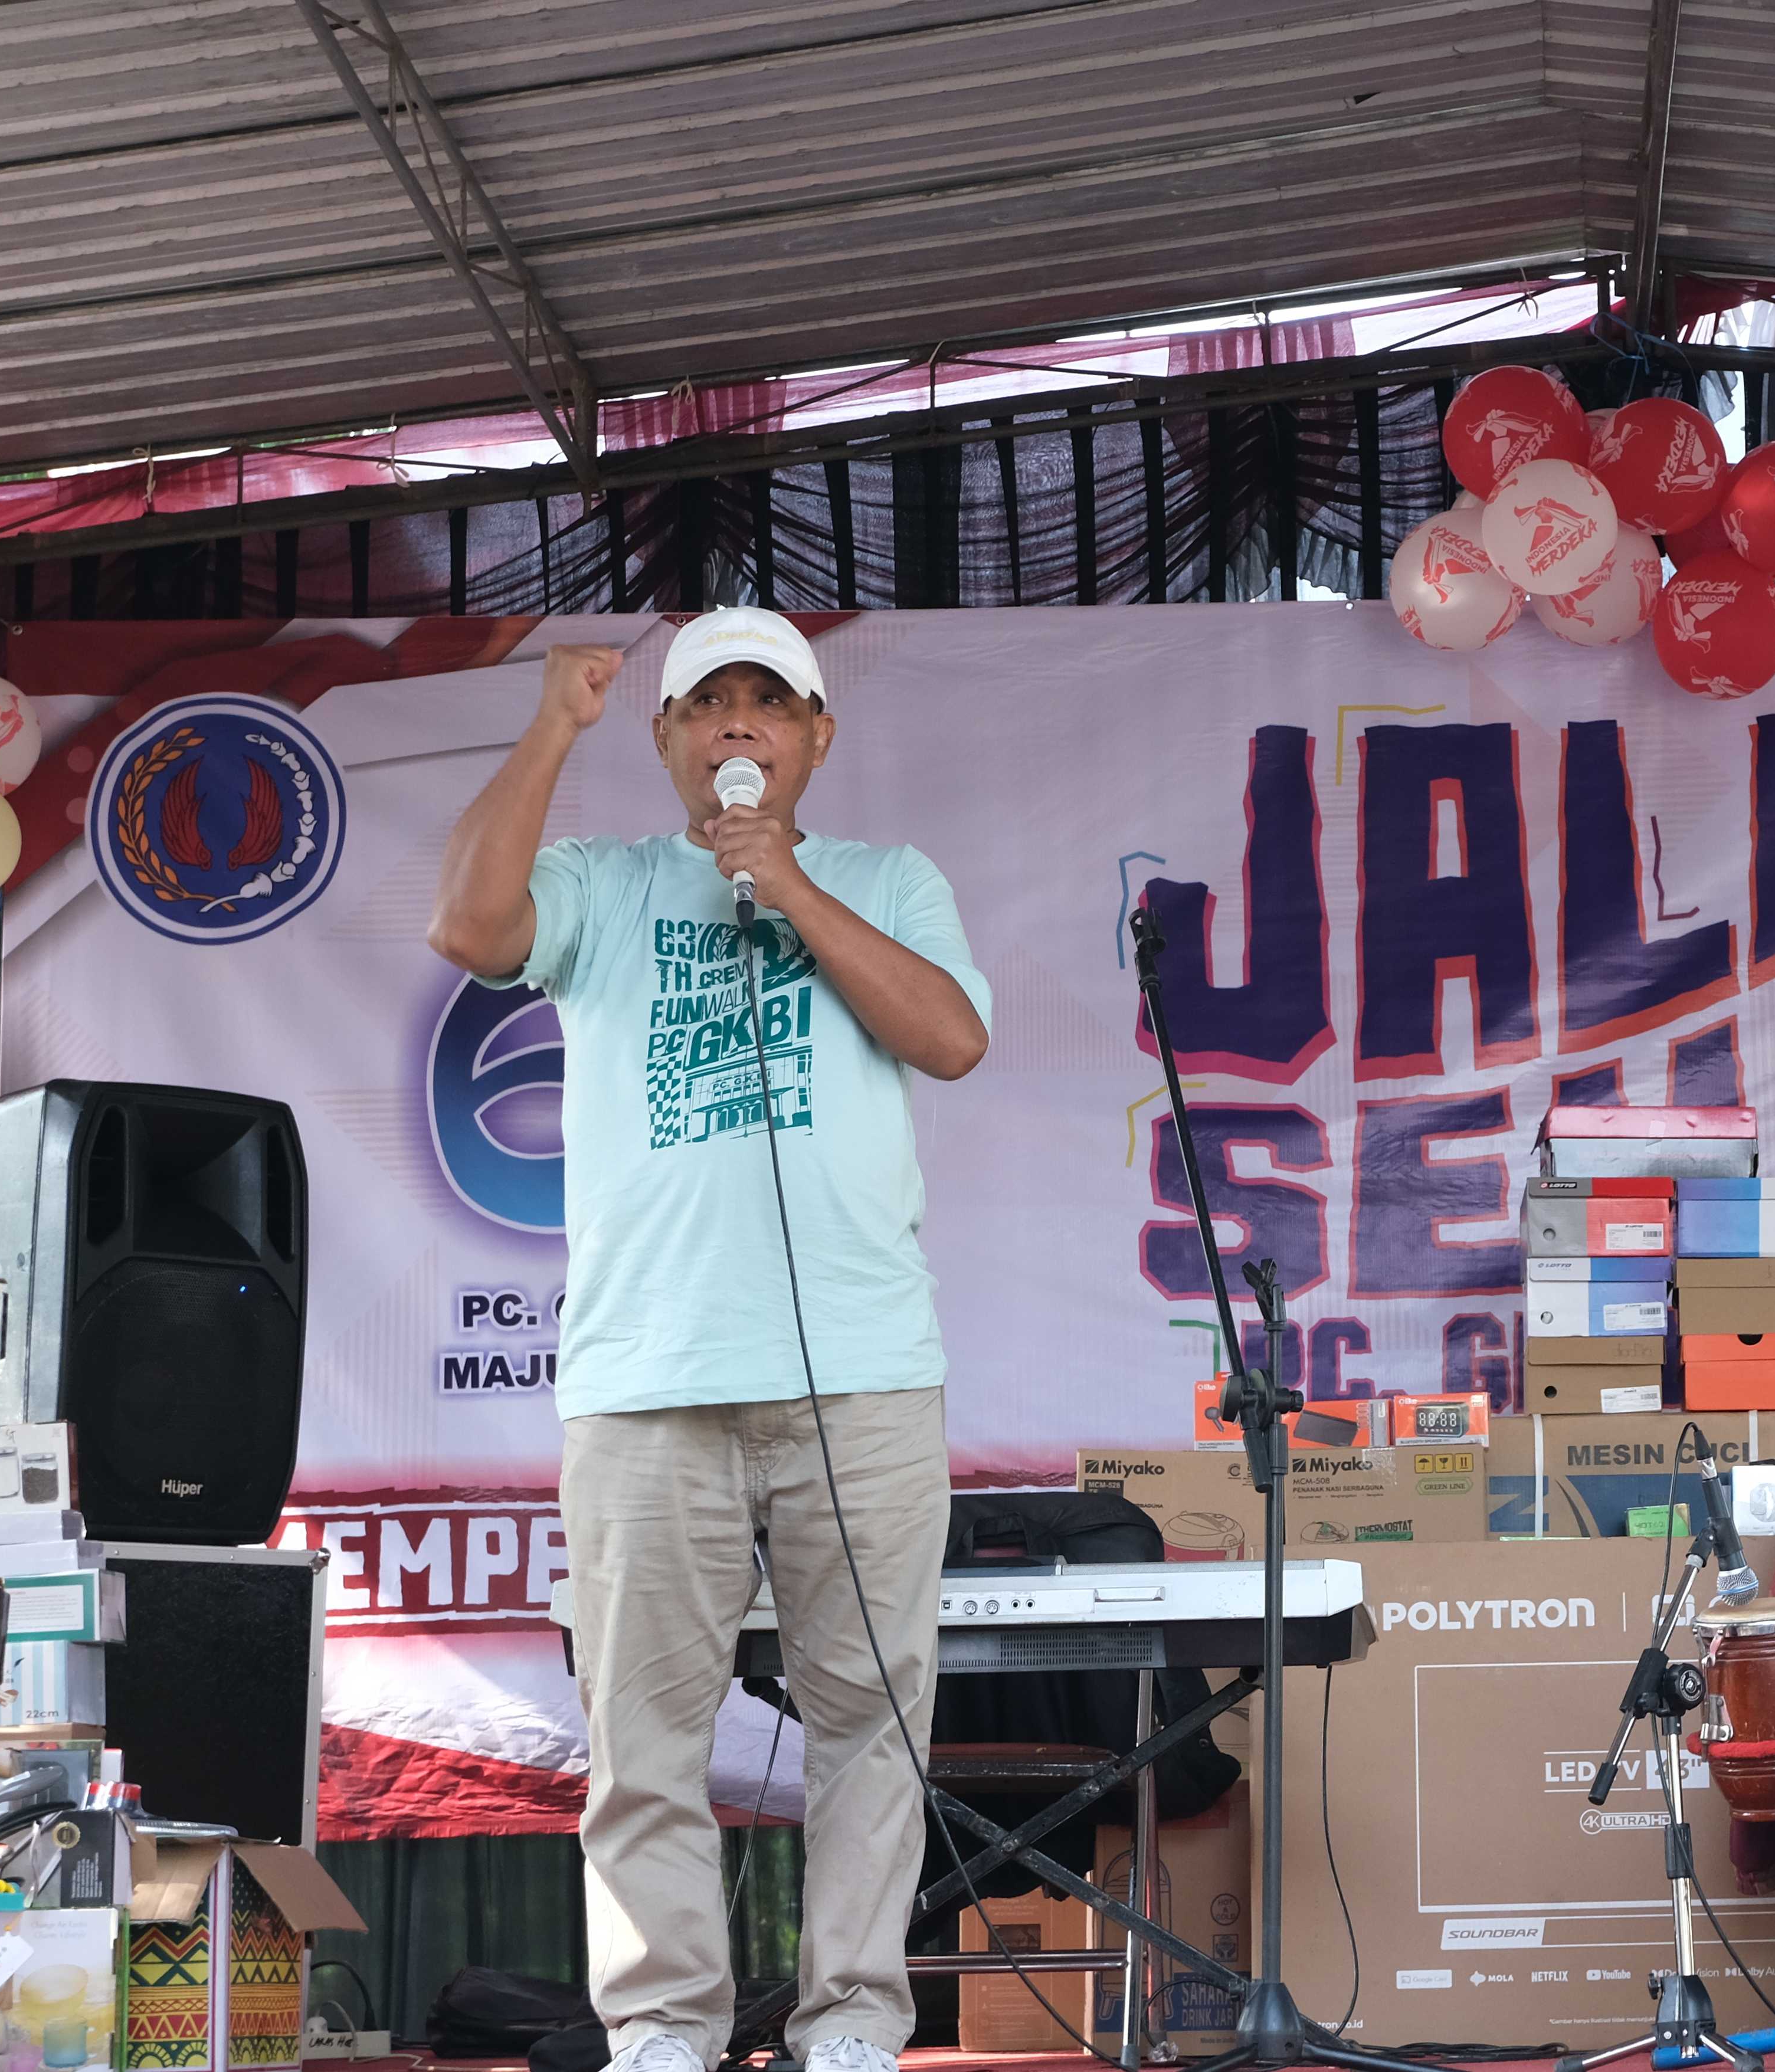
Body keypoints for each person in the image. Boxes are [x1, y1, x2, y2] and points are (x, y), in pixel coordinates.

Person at [429, 608, 993, 2072]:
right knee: (646, 1736)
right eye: (708, 703)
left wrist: (785, 882)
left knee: (872, 1723)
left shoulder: (887, 879)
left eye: (770, 701)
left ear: (816, 736)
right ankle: (665, 2026)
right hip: (647, 1381)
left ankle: (853, 2020)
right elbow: (470, 928)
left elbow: (950, 1038)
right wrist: (552, 725)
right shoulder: (604, 884)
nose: (739, 722)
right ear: (670, 738)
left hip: (860, 1376)